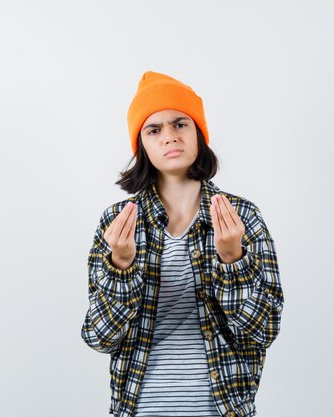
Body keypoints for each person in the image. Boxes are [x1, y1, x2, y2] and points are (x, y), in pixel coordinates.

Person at [80, 71, 284, 417]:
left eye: (180, 124)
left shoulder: (243, 216)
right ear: (141, 144)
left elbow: (262, 331)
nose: (170, 137)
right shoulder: (117, 222)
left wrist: (234, 260)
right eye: (154, 129)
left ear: (198, 134)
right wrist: (122, 265)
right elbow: (100, 337)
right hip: (139, 409)